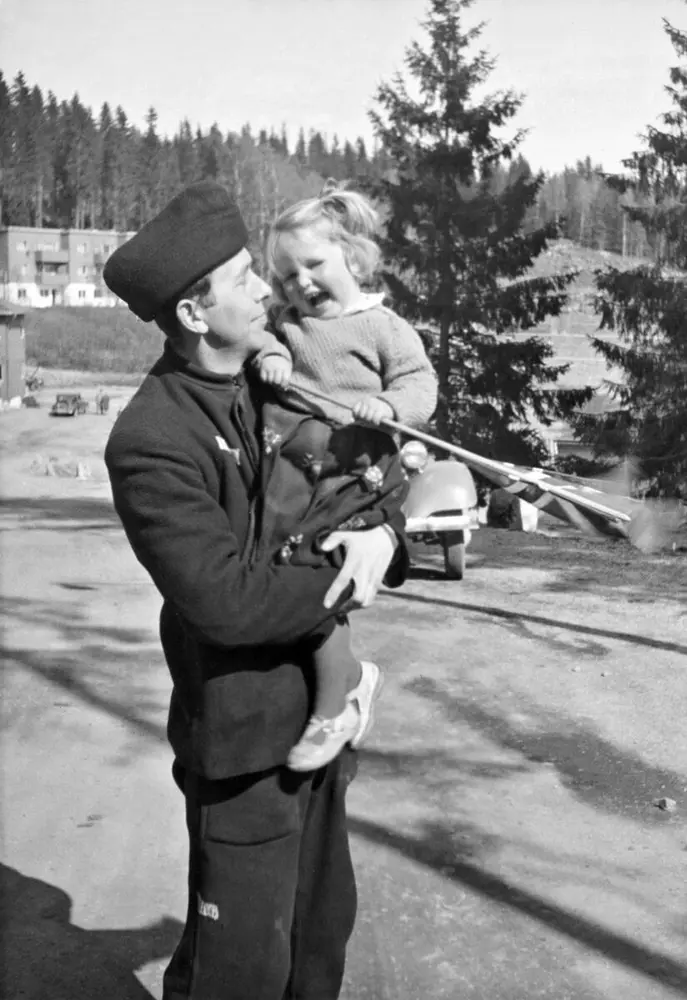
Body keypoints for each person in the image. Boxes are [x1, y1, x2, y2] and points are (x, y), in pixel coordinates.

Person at [102, 180, 410, 1000]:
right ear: (195, 314)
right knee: (239, 969)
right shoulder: (151, 439)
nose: (265, 287)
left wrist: (383, 536)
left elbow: (365, 476)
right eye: (241, 277)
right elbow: (228, 603)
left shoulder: (276, 385)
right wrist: (345, 578)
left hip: (319, 738)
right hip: (240, 745)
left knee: (317, 941)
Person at [252, 183, 437, 772]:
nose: (300, 284)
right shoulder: (288, 321)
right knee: (284, 576)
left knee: (320, 586)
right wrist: (270, 356)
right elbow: (261, 339)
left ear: (353, 259)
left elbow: (419, 385)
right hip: (303, 477)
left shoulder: (382, 326)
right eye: (285, 276)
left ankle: (338, 705)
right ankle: (348, 681)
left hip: (362, 476)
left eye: (313, 265)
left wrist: (389, 406)